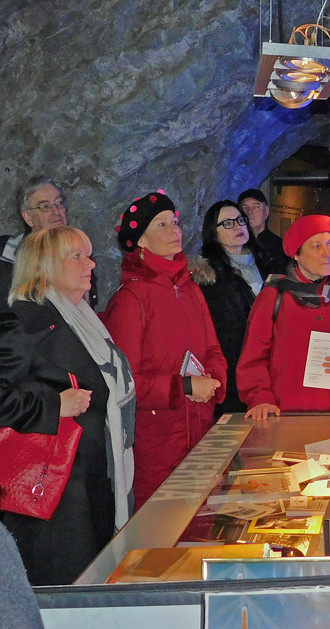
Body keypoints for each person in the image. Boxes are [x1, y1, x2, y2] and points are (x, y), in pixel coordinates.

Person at [0, 227, 135, 585]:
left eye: (88, 254)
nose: (90, 263)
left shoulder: (80, 318)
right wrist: (51, 404)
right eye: (77, 256)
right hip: (53, 497)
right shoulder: (23, 321)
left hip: (89, 480)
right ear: (44, 265)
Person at [102, 191, 226, 510]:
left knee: (200, 526)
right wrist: (183, 386)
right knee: (159, 531)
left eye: (175, 222)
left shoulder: (191, 290)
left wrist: (213, 382)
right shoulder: (131, 300)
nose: (175, 230)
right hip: (156, 445)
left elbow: (213, 349)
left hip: (200, 432)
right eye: (162, 225)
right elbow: (125, 383)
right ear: (140, 241)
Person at [237, 214, 330, 420]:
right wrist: (260, 398)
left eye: (329, 244)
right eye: (316, 246)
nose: (326, 253)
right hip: (289, 415)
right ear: (297, 254)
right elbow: (253, 357)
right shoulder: (273, 296)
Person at [191, 200, 279, 415]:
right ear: (214, 232)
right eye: (227, 223)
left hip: (274, 365)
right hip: (235, 372)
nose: (238, 227)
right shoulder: (209, 276)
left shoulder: (268, 263)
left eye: (240, 220)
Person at [0, 176, 98, 311]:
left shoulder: (80, 252)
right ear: (28, 217)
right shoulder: (6, 256)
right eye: (45, 207)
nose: (56, 212)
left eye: (59, 203)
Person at [237, 188, 290, 269]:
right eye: (245, 208)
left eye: (256, 207)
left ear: (266, 211)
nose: (250, 212)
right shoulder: (234, 245)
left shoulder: (281, 247)